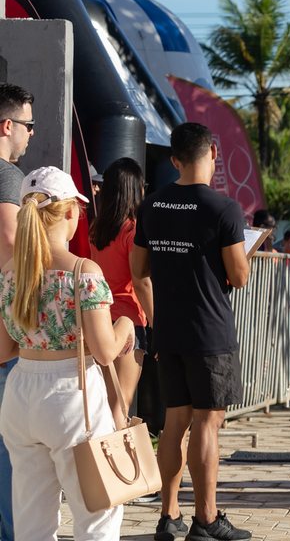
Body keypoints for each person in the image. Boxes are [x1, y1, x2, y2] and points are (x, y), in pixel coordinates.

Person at [131, 123, 252, 541]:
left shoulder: (152, 206)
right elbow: (239, 276)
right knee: (206, 422)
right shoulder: (224, 208)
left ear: (174, 159)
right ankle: (206, 519)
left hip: (169, 331)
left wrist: (156, 318)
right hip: (209, 334)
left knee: (173, 423)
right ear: (213, 153)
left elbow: (139, 273)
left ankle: (168, 515)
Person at [0, 166, 135, 540]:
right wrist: (127, 326)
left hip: (20, 393)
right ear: (72, 212)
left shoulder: (12, 273)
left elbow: (2, 349)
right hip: (72, 396)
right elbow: (106, 351)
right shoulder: (83, 272)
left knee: (31, 520)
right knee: (98, 514)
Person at [91, 158, 154, 431]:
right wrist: (156, 322)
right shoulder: (133, 229)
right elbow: (141, 281)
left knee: (103, 400)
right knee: (121, 403)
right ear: (132, 189)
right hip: (129, 322)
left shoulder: (97, 229)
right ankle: (115, 468)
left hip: (100, 319)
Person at [0, 82, 35, 541]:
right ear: (7, 125)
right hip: (2, 332)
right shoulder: (7, 175)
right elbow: (9, 243)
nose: (30, 134)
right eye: (28, 124)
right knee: (9, 448)